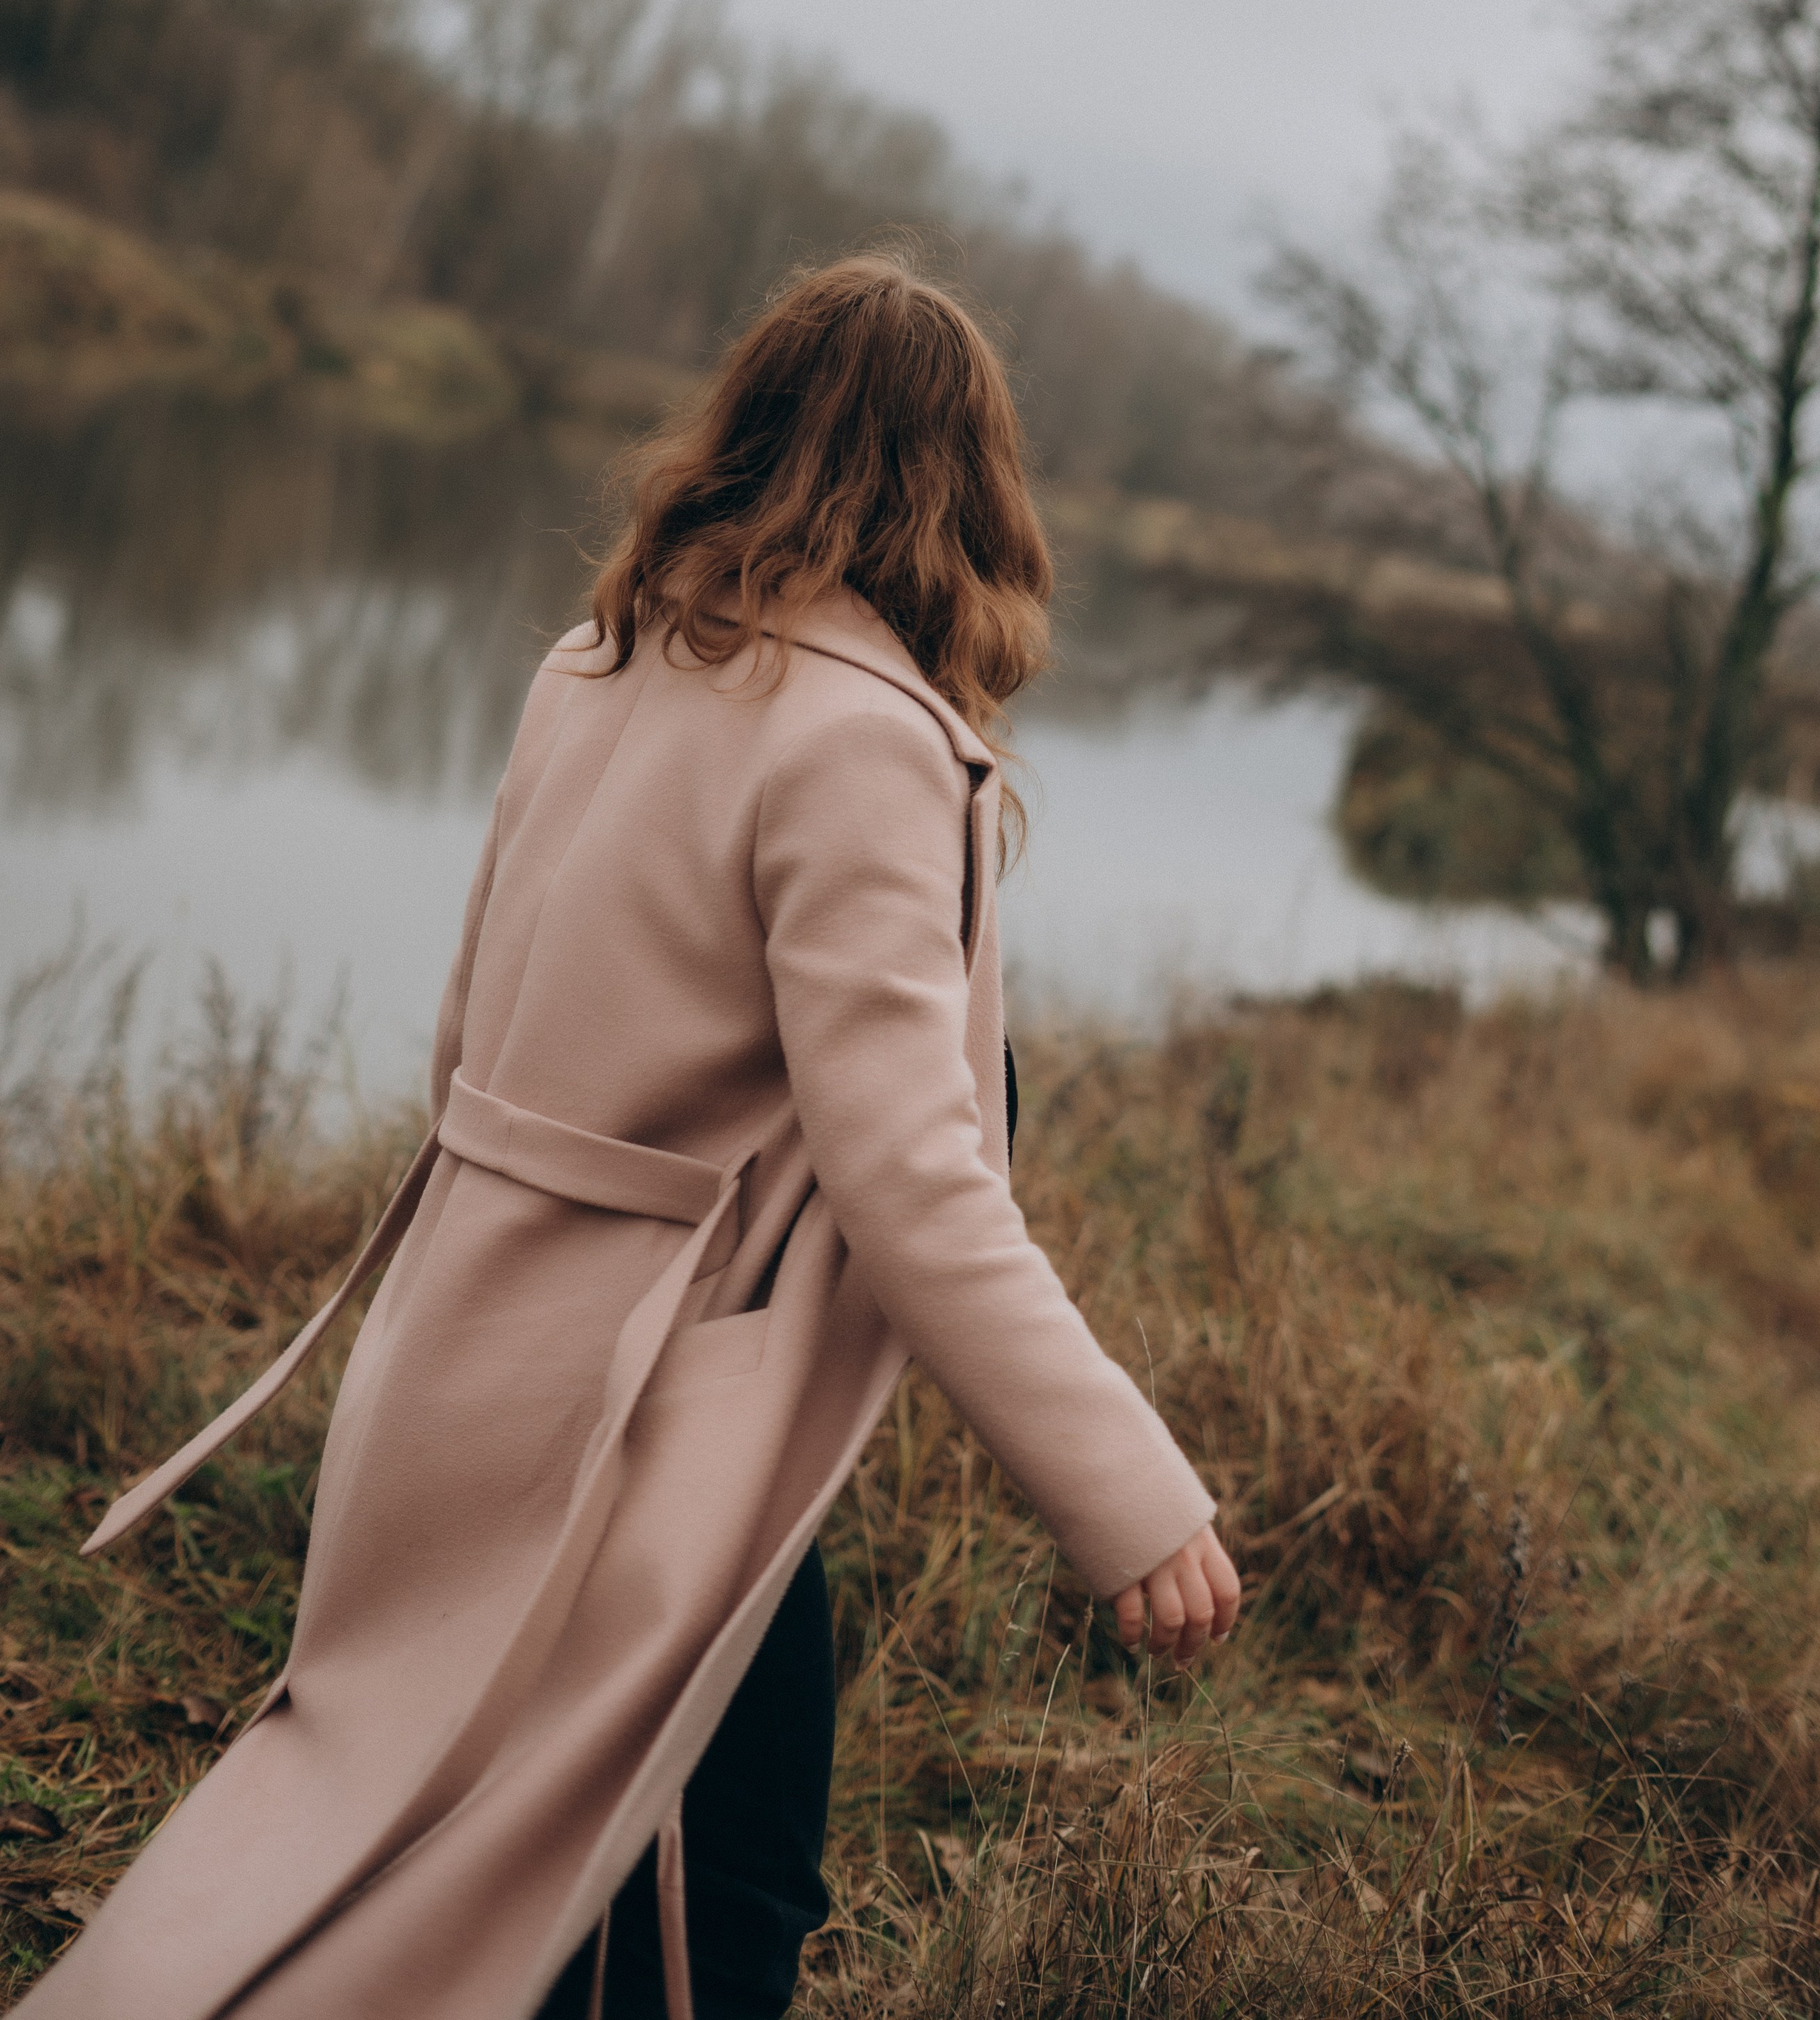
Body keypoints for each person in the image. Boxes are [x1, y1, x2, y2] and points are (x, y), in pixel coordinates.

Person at [30, 255, 1240, 2020]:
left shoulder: (596, 661)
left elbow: (471, 1033)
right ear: (969, 486)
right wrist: (1126, 1494)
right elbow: (914, 1177)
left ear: (741, 430)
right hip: (645, 1415)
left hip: (462, 1342)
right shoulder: (861, 743)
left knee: (373, 1827)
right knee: (707, 1904)